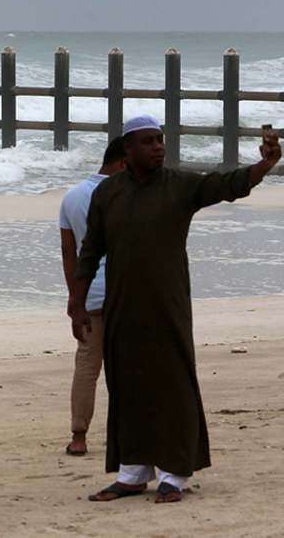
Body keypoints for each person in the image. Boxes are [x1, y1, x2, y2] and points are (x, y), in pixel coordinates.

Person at [72, 115, 281, 504]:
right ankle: (133, 473)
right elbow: (91, 252)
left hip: (167, 302)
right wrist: (77, 304)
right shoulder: (107, 193)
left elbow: (228, 184)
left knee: (173, 382)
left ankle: (174, 473)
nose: (158, 147)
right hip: (121, 304)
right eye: (148, 142)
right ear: (127, 150)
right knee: (126, 382)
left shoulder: (181, 184)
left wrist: (265, 165)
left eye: (161, 140)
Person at [58, 138, 127, 456]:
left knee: (87, 367)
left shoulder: (71, 197)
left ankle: (79, 435)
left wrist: (74, 295)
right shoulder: (125, 194)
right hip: (125, 294)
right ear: (125, 162)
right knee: (129, 367)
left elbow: (69, 251)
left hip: (90, 296)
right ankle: (127, 434)